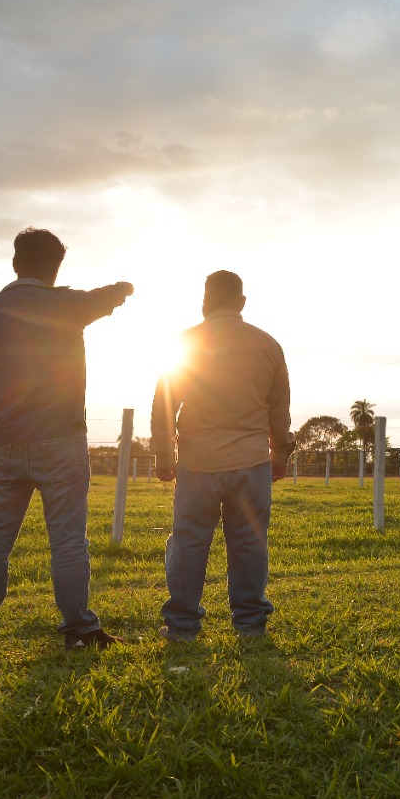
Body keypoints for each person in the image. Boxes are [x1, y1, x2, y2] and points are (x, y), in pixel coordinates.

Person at [0, 227, 133, 650]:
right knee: (68, 540)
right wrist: (125, 287)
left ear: (15, 263)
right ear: (56, 269)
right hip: (61, 443)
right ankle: (79, 630)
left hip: (2, 443)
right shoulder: (69, 305)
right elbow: (110, 294)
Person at [152, 270, 295, 642]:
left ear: (204, 302)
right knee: (249, 543)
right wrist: (279, 455)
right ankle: (250, 624)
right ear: (242, 303)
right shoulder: (268, 345)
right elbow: (279, 411)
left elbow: (164, 405)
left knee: (189, 541)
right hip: (252, 464)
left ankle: (182, 626)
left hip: (198, 464)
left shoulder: (185, 344)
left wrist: (164, 455)